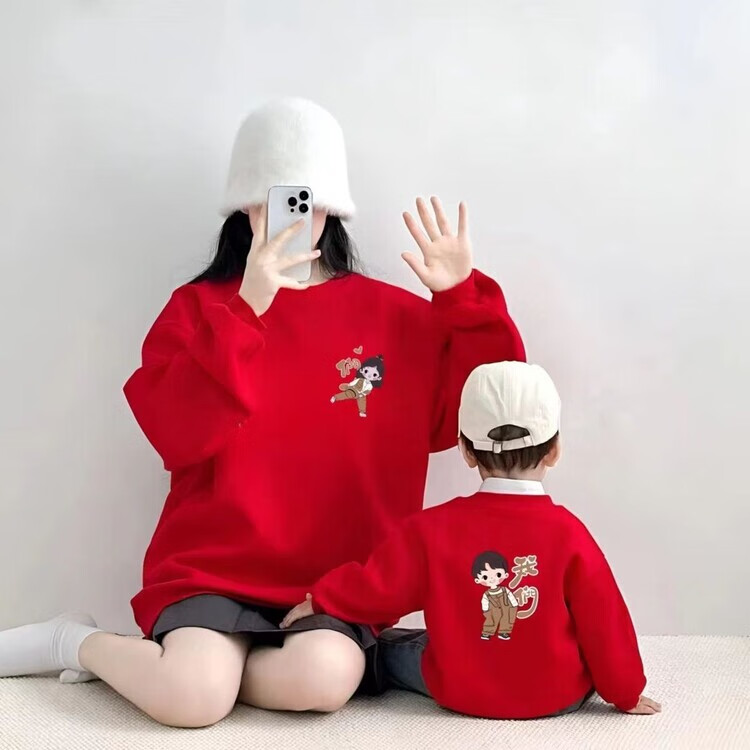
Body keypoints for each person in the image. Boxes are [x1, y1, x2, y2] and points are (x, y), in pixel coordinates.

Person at [0, 98, 525, 726]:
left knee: (323, 679)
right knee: (191, 701)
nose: (292, 216)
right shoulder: (199, 309)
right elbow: (175, 433)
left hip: (337, 581)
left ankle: (211, 666)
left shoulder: (395, 316)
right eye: (271, 199)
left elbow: (490, 413)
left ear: (332, 208)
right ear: (244, 207)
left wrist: (463, 300)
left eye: (308, 200)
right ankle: (73, 641)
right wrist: (246, 309)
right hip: (213, 568)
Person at [281, 361, 662, 720]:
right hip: (559, 695)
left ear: (465, 450)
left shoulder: (432, 529)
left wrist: (324, 598)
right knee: (579, 643)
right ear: (554, 451)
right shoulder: (570, 533)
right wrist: (625, 692)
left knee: (395, 646)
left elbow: (377, 588)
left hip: (461, 691)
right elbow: (606, 624)